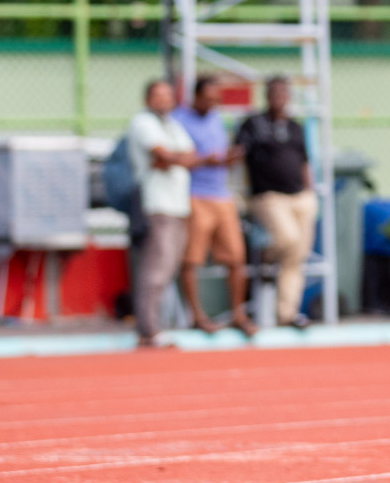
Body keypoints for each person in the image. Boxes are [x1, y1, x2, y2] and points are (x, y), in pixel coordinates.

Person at [234, 77, 317, 328]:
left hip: (300, 196)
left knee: (297, 257)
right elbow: (238, 155)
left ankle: (287, 314)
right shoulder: (254, 124)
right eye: (275, 93)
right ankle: (267, 259)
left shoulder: (295, 127)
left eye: (284, 93)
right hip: (268, 196)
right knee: (287, 239)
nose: (280, 98)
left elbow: (304, 160)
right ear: (267, 96)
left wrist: (309, 190)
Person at [172, 77, 253, 336]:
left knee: (236, 257)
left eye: (217, 99)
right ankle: (197, 316)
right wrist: (206, 160)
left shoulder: (217, 118)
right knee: (192, 259)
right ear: (195, 96)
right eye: (208, 98)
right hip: (195, 195)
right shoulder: (178, 119)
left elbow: (220, 152)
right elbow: (178, 158)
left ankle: (238, 314)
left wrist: (229, 157)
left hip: (222, 195)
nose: (213, 103)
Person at [126, 79, 199, 347]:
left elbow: (189, 156)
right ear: (147, 99)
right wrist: (171, 158)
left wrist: (171, 158)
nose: (164, 100)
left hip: (178, 205)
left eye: (168, 95)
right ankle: (148, 328)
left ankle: (154, 324)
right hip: (156, 205)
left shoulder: (172, 124)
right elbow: (162, 155)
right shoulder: (142, 122)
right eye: (158, 95)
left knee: (167, 267)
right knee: (155, 268)